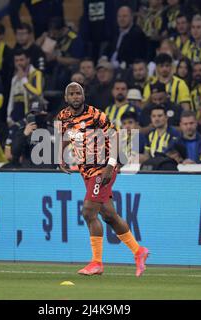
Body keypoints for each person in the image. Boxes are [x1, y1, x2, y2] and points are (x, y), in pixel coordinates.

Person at [57, 82, 149, 276]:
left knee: (89, 212)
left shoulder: (96, 115)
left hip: (103, 168)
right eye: (71, 94)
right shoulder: (63, 117)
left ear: (84, 96)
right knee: (108, 215)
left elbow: (115, 137)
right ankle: (139, 251)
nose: (75, 97)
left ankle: (97, 262)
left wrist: (110, 165)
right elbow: (65, 136)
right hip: (86, 171)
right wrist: (60, 155)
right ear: (66, 98)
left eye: (78, 93)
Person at [7, 49, 44, 124]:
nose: (19, 63)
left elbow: (38, 93)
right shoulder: (14, 78)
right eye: (16, 61)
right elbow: (11, 98)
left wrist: (24, 79)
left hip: (32, 115)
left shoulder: (37, 74)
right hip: (16, 117)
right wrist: (8, 116)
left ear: (28, 60)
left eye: (21, 60)